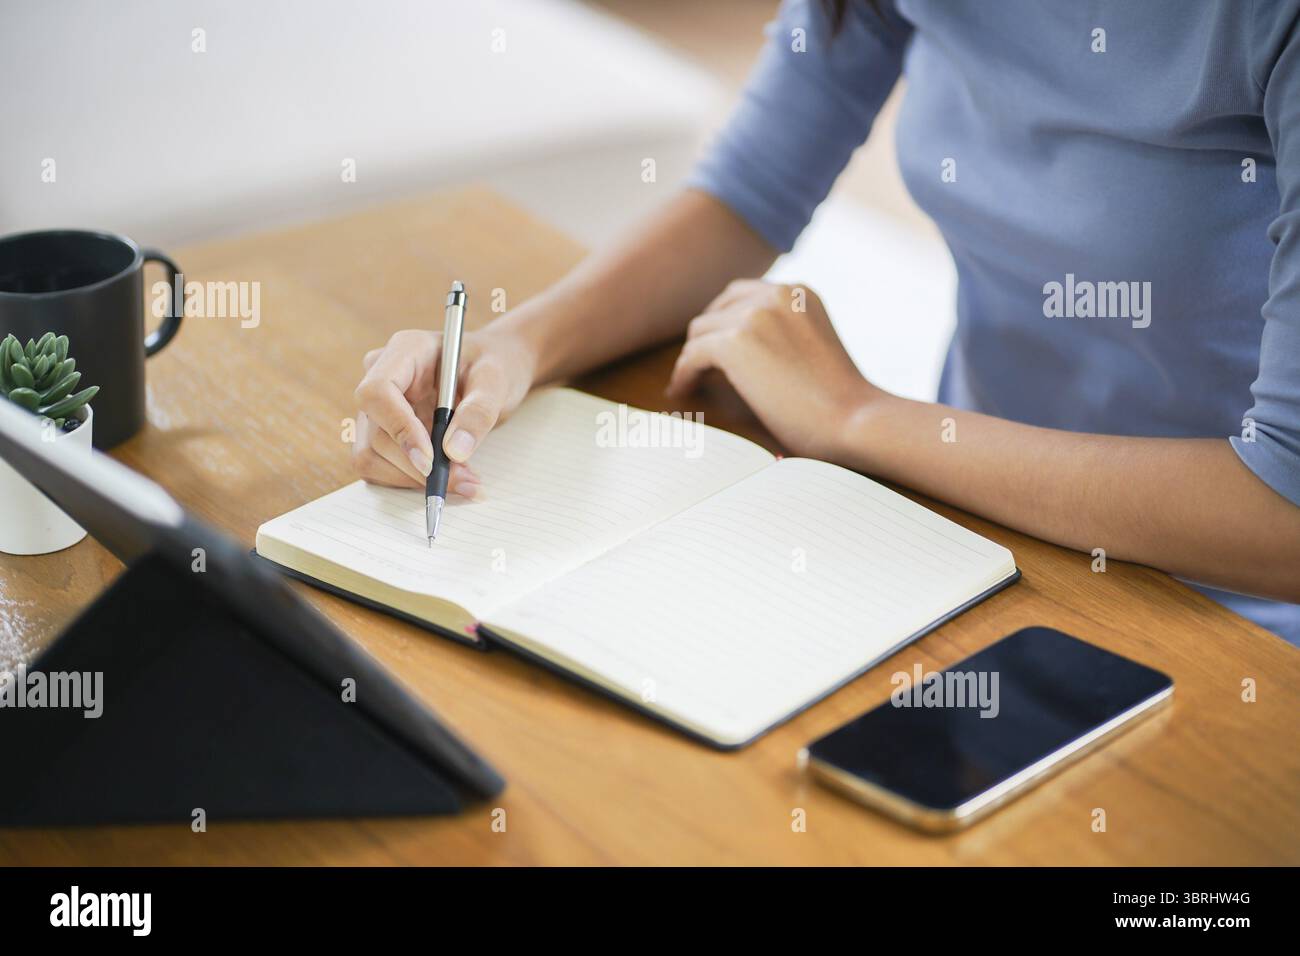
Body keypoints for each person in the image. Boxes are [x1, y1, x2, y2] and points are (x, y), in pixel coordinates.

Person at [351, 0, 1300, 644]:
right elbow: (751, 187)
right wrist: (517, 346)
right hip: (971, 541)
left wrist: (857, 418)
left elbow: (1284, 514)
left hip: (1235, 629)